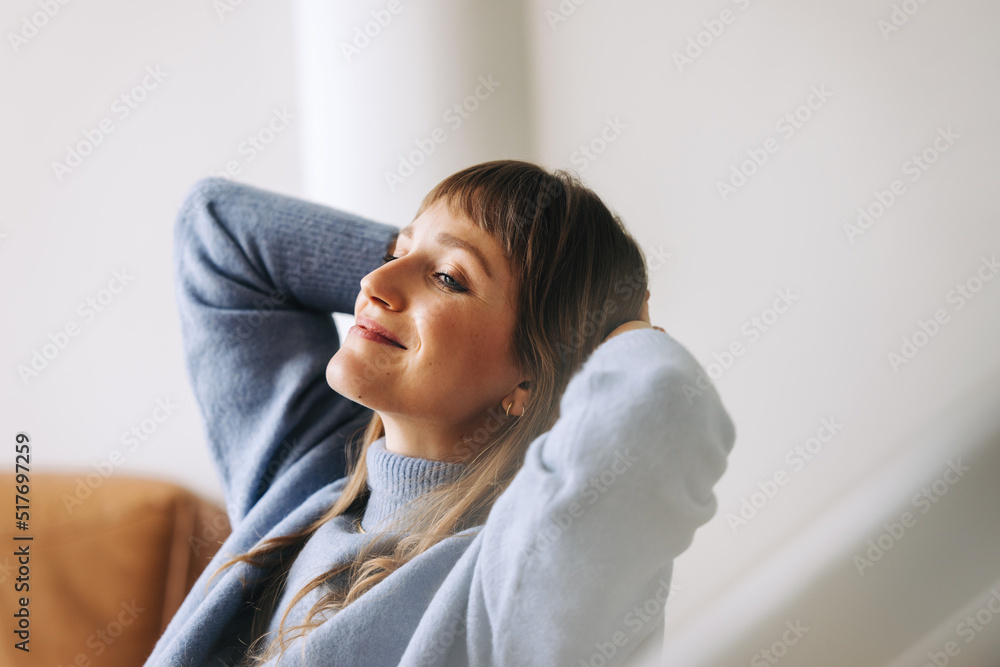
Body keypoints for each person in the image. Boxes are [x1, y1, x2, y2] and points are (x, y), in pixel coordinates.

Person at [143, 160, 736, 666]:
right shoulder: (308, 475)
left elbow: (661, 408)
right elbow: (216, 227)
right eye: (397, 252)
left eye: (448, 278)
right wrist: (431, 258)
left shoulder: (510, 578)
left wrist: (607, 334)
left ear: (532, 376)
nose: (373, 282)